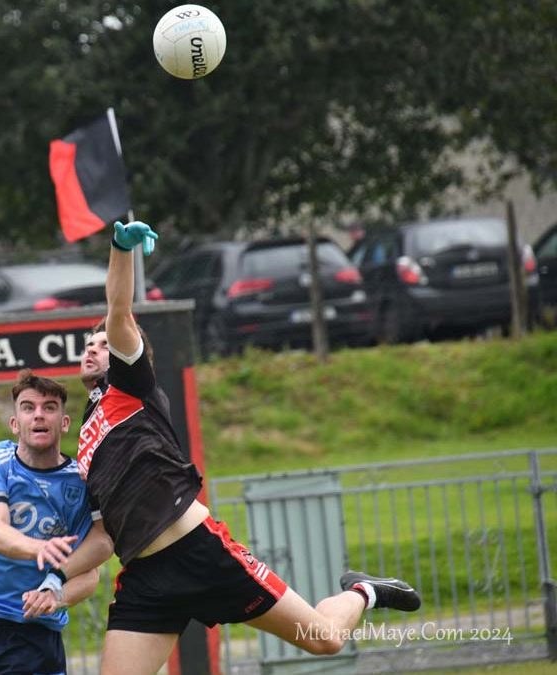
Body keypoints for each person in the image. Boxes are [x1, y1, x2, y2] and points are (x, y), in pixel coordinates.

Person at [29, 221, 422, 675]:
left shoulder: (131, 387)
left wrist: (119, 248)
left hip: (199, 552)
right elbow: (102, 539)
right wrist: (57, 575)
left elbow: (118, 308)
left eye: (103, 344)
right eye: (87, 345)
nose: (92, 350)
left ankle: (363, 592)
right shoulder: (86, 440)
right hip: (146, 576)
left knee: (325, 639)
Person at [0, 369, 111, 675]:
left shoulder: (80, 484)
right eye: (28, 408)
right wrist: (39, 547)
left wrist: (56, 595)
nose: (38, 416)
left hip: (34, 638)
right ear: (15, 423)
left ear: (64, 423)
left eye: (49, 407)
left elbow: (90, 572)